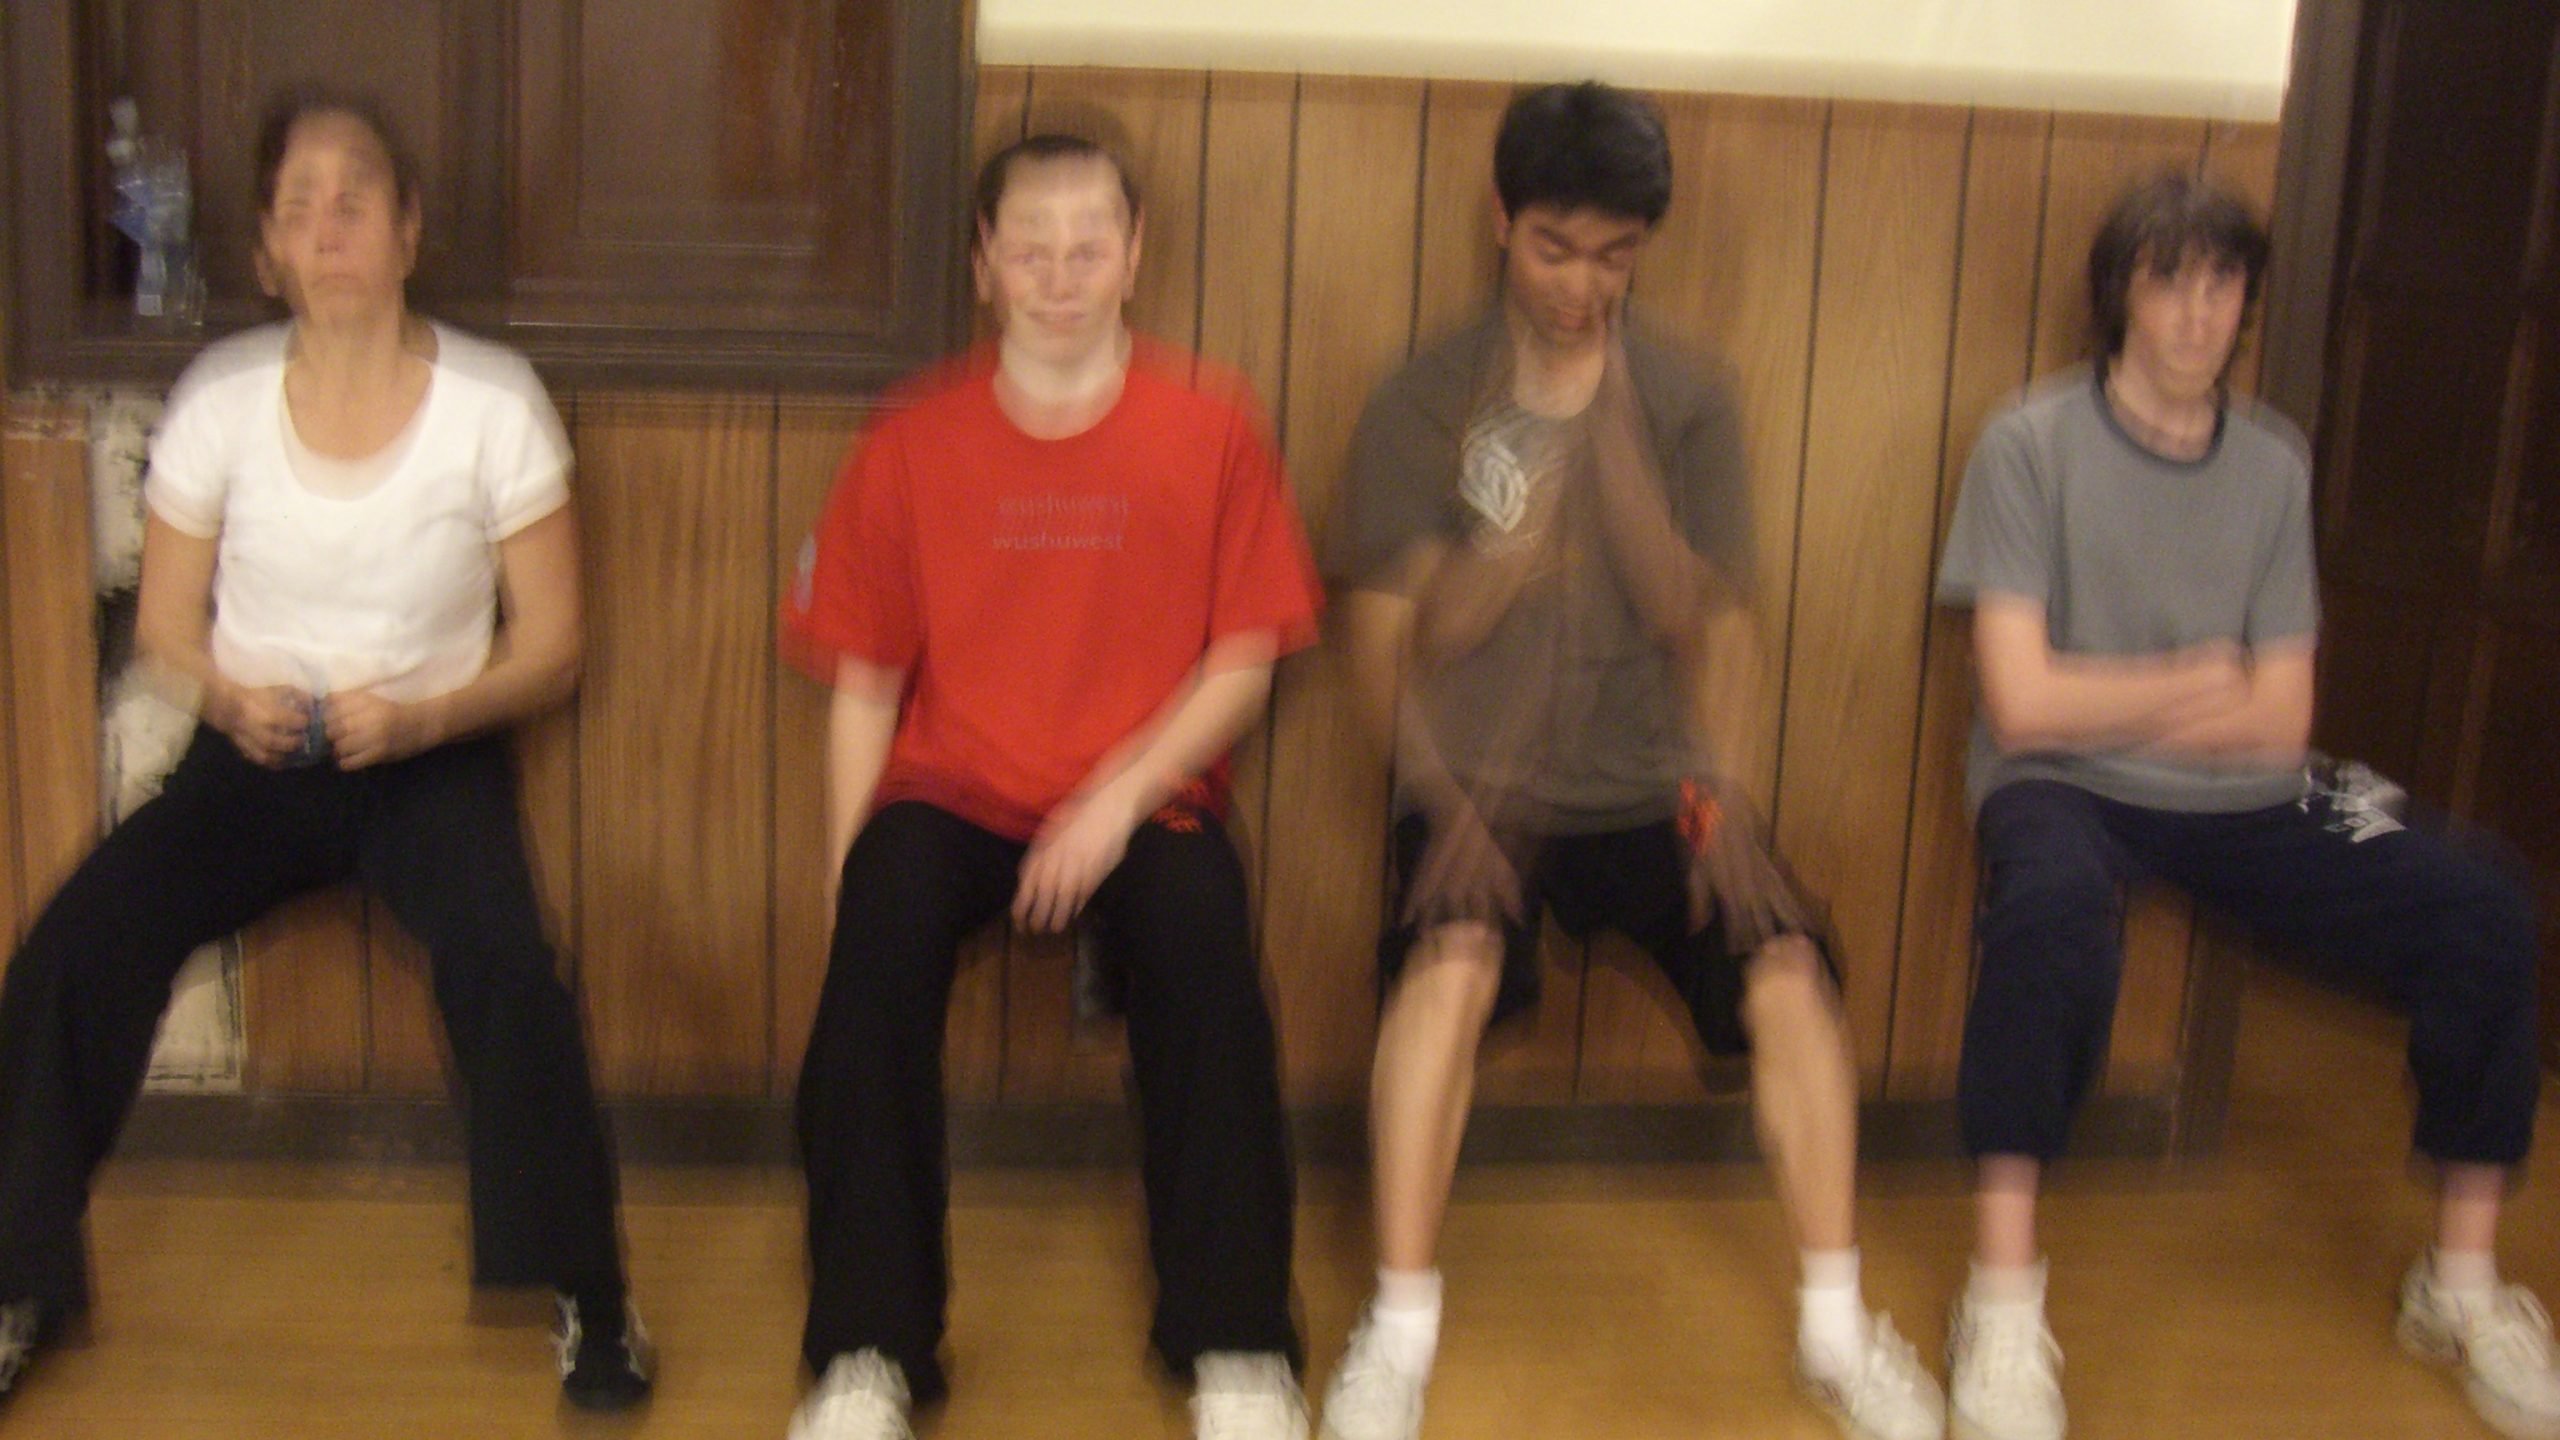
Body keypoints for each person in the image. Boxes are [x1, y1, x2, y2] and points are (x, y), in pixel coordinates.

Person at [0, 89, 650, 1412]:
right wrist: (230, 697)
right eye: (297, 206)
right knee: (73, 948)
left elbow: (556, 647)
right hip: (252, 756)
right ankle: (16, 1279)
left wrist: (418, 717)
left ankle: (592, 1296)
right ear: (266, 255)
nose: (327, 223)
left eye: (355, 197)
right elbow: (170, 633)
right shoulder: (221, 398)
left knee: (510, 972)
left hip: (431, 756)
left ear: (409, 229)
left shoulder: (493, 401)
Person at [1317, 81, 1943, 1440]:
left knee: (1784, 968)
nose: (1583, 284)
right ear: (1501, 221)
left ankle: (1838, 1329)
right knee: (1453, 963)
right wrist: (1443, 796)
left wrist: (1725, 797)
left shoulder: (1687, 393)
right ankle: (1399, 1332)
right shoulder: (1430, 397)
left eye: (1613, 256)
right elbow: (1383, 645)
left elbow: (1711, 622)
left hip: (1658, 782)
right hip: (1480, 787)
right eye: (1556, 249)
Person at [1932, 172, 2557, 1440]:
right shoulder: (2028, 442)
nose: (2196, 313)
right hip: (2062, 791)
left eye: (2222, 285)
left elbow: (2281, 721)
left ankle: (2461, 1281)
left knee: (2481, 894)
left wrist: (2138, 693)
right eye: (2169, 281)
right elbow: (2020, 704)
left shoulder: (2271, 459)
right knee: (2050, 910)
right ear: (2121, 298)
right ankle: (1999, 1302)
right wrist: (2195, 679)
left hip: (2255, 792)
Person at [778, 131, 1322, 1440]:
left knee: (1202, 946)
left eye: (1090, 244)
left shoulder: (1213, 422)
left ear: (1135, 256)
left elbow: (1245, 662)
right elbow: (863, 679)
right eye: (1032, 247)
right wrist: (851, 877)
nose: (1062, 273)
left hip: (1143, 796)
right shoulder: (913, 437)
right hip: (953, 788)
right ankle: (867, 1354)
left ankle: (1237, 1341)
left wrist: (1114, 802)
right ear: (984, 265)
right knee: (876, 942)